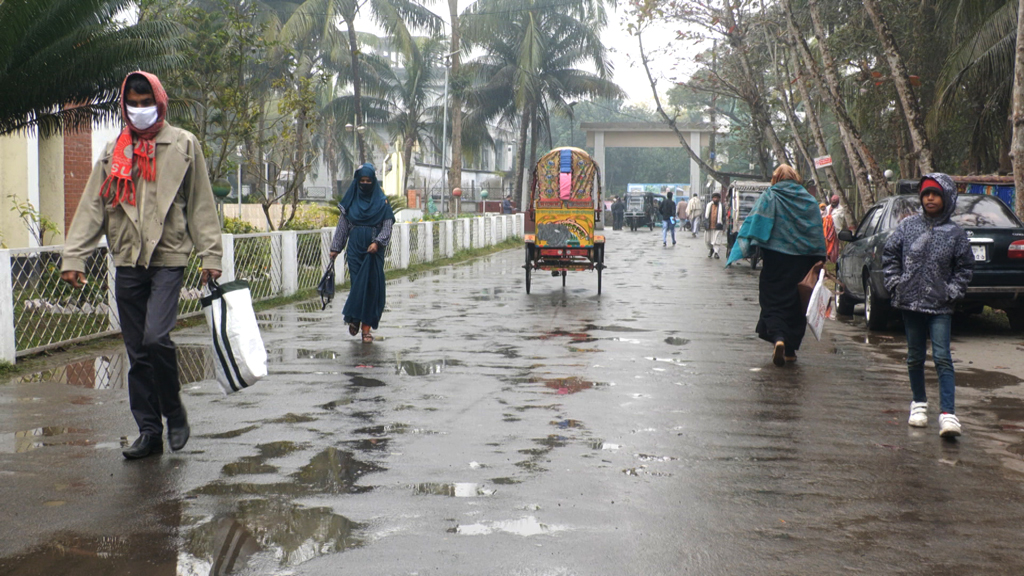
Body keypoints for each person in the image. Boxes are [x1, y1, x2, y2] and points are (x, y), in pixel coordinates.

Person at [60, 71, 223, 459]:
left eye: (145, 103)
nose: (139, 110)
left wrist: (210, 255)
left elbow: (201, 203)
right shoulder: (113, 150)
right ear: (124, 105)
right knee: (137, 353)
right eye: (132, 103)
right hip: (128, 259)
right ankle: (150, 433)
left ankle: (173, 411)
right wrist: (75, 257)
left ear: (159, 103)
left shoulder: (184, 145)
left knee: (155, 339)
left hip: (168, 258)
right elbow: (92, 206)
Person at [882, 173, 974, 438]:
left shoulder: (955, 233)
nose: (930, 198)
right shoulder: (907, 226)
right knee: (915, 356)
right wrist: (895, 284)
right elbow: (890, 255)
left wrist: (952, 291)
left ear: (946, 198)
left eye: (935, 194)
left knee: (943, 358)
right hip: (910, 303)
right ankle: (918, 404)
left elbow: (965, 267)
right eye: (925, 194)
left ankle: (948, 414)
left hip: (940, 306)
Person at [725, 165, 826, 366]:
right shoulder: (808, 199)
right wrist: (821, 258)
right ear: (795, 177)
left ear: (776, 178)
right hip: (803, 260)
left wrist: (750, 245)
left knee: (772, 300)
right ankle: (790, 350)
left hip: (775, 259)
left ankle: (778, 337)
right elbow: (816, 230)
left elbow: (756, 223)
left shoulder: (771, 195)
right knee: (797, 302)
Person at [330, 164, 396, 343]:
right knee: (358, 286)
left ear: (374, 181)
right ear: (357, 182)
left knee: (372, 289)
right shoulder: (350, 202)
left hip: (373, 252)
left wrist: (377, 242)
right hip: (355, 251)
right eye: (362, 181)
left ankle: (366, 329)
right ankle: (354, 318)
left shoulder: (382, 203)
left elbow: (387, 226)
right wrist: (336, 248)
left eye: (368, 181)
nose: (365, 184)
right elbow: (342, 228)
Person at [704, 191, 726, 258]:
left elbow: (724, 217)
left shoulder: (721, 206)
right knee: (708, 240)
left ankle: (716, 252)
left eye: (717, 198)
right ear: (712, 198)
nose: (715, 199)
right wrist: (705, 223)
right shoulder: (708, 205)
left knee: (717, 240)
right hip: (709, 226)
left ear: (719, 199)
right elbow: (705, 216)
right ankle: (711, 250)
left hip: (718, 226)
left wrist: (723, 225)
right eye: (714, 198)